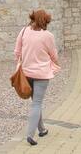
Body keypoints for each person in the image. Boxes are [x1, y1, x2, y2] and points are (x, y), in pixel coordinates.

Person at [14, 9, 62, 146]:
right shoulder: (48, 36)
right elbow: (54, 55)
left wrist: (19, 65)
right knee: (37, 103)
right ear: (45, 21)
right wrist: (57, 64)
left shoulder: (23, 31)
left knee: (36, 102)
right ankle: (30, 134)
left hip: (26, 73)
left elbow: (17, 52)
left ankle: (42, 129)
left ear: (33, 18)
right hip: (41, 74)